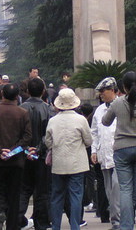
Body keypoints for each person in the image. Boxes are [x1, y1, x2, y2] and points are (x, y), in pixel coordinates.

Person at [102, 70, 136, 230]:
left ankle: (125, 226)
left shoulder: (118, 103)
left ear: (123, 87)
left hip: (122, 149)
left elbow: (105, 121)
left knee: (125, 189)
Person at [0, 82, 32, 230]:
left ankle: (0, 212)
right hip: (16, 162)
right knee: (14, 195)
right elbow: (27, 137)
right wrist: (13, 152)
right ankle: (12, 225)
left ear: (2, 94)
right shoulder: (23, 113)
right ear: (17, 96)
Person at [45, 88, 92, 230]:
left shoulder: (53, 121)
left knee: (57, 196)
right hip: (77, 163)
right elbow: (88, 141)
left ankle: (56, 226)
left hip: (59, 164)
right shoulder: (81, 120)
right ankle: (75, 225)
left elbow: (48, 142)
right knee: (76, 196)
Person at [19, 77, 52, 230]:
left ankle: (17, 220)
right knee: (42, 192)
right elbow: (49, 135)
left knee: (23, 190)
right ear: (43, 91)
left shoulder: (20, 109)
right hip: (42, 156)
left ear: (27, 91)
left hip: (23, 155)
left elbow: (17, 134)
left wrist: (26, 149)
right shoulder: (48, 109)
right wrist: (38, 149)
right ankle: (42, 223)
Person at [91, 77, 120, 230]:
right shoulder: (99, 110)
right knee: (109, 191)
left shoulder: (122, 106)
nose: (101, 94)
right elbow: (94, 132)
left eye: (103, 91)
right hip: (104, 155)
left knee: (117, 188)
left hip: (119, 154)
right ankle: (115, 221)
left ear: (113, 90)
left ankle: (120, 220)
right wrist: (94, 150)